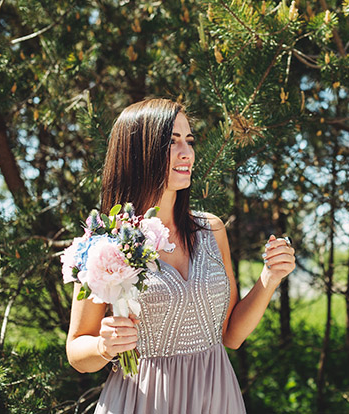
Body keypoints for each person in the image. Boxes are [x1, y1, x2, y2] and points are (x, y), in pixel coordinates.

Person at [66, 98, 296, 413]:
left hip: (218, 400)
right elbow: (77, 350)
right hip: (142, 404)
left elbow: (231, 336)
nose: (187, 152)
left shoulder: (212, 230)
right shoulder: (107, 244)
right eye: (171, 143)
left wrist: (269, 278)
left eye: (189, 141)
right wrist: (103, 347)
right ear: (138, 152)